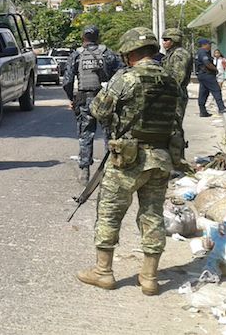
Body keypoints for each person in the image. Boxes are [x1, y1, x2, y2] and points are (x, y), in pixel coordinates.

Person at [77, 27, 180, 296]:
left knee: (109, 213)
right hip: (160, 157)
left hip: (127, 159)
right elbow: (176, 120)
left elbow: (98, 109)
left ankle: (103, 272)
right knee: (152, 215)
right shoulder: (171, 80)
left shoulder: (126, 78)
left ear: (129, 53)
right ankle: (150, 278)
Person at [62, 25, 121, 185]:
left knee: (86, 134)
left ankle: (85, 171)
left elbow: (67, 81)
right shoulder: (108, 54)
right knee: (109, 134)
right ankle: (110, 169)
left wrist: (72, 99)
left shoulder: (77, 55)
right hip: (105, 100)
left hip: (84, 100)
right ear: (98, 37)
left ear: (83, 37)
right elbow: (121, 73)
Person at [161, 28, 194, 172]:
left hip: (175, 96)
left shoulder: (180, 54)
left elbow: (177, 78)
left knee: (175, 128)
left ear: (174, 40)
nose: (164, 43)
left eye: (167, 40)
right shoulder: (171, 54)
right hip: (170, 95)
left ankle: (178, 161)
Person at [195, 38, 226, 117]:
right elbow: (207, 63)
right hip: (207, 75)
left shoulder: (199, 52)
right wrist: (215, 69)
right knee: (216, 90)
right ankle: (221, 108)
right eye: (209, 44)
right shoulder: (203, 52)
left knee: (203, 93)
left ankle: (203, 111)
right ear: (204, 45)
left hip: (202, 75)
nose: (210, 46)